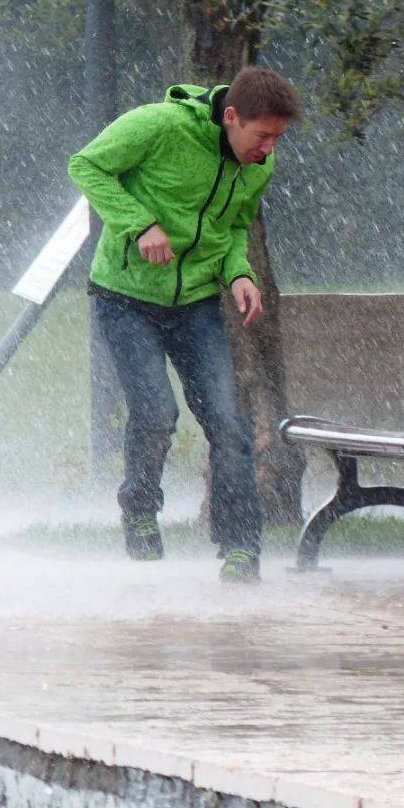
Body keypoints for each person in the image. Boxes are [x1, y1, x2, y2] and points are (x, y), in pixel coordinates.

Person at [68, 66, 302, 583]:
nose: (268, 150)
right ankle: (140, 508)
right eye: (262, 136)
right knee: (156, 413)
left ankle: (241, 548)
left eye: (277, 138)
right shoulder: (159, 126)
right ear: (232, 117)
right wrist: (140, 224)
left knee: (230, 424)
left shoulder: (257, 164)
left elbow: (234, 227)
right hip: (124, 297)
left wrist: (239, 274)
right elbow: (86, 167)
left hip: (196, 303)